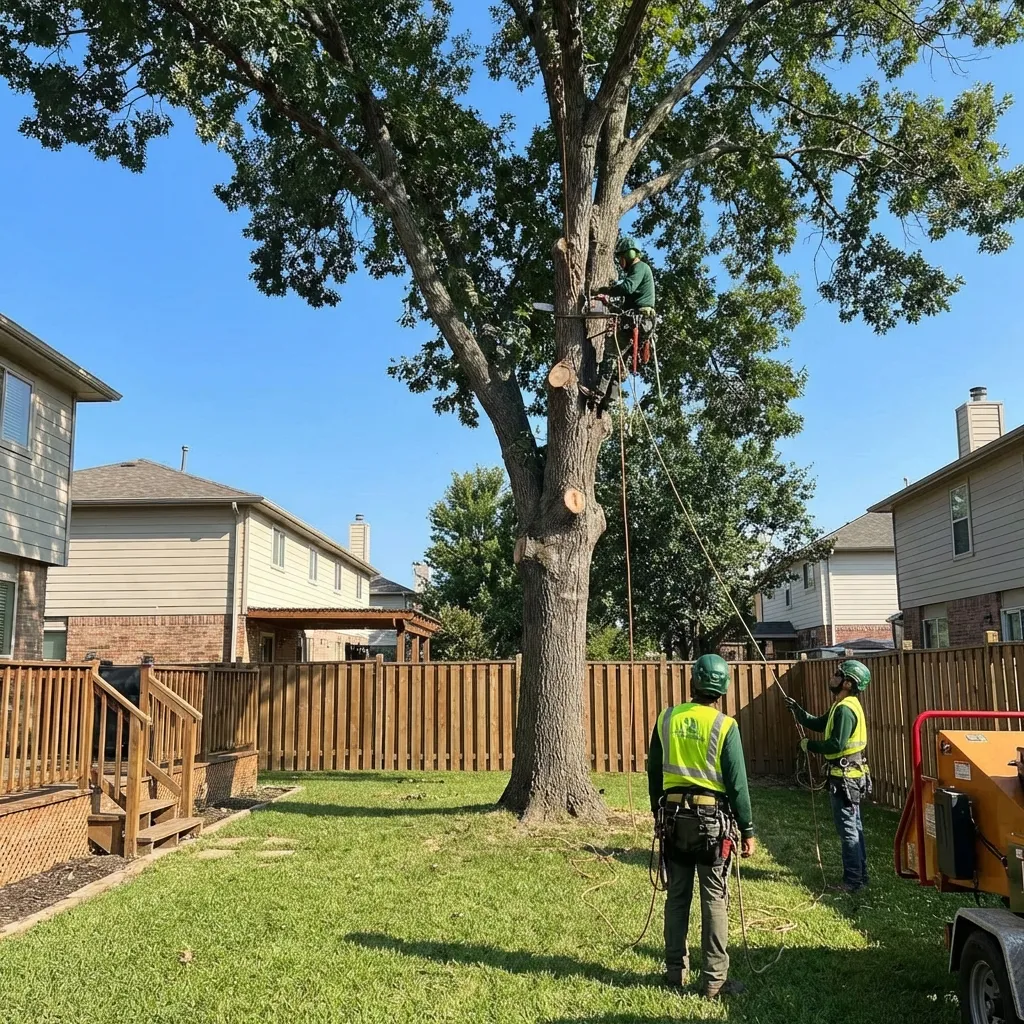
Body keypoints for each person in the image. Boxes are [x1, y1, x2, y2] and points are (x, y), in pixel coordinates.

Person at [647, 653, 755, 999]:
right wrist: (747, 829)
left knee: (677, 896)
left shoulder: (667, 719)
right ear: (723, 689)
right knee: (714, 899)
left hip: (674, 820)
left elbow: (654, 773)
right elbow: (737, 784)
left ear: (693, 682)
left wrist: (657, 815)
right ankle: (714, 981)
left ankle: (674, 972)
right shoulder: (725, 726)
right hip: (711, 824)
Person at [784, 659, 871, 892]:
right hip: (850, 775)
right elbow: (820, 723)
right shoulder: (840, 705)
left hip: (845, 778)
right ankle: (861, 876)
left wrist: (808, 745)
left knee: (849, 830)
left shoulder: (845, 709)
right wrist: (798, 711)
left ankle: (853, 881)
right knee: (855, 827)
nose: (833, 677)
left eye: (838, 674)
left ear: (848, 683)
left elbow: (835, 744)